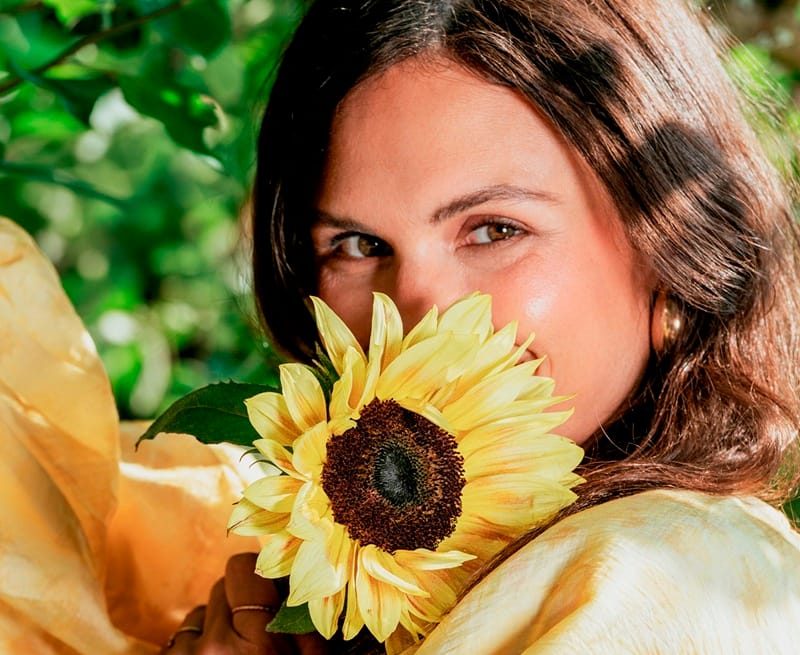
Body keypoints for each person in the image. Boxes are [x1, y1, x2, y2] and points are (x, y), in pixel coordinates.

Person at [3, 0, 800, 653]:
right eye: (356, 245)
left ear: (675, 255)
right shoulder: (302, 559)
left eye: (493, 228)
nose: (415, 314)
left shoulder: (676, 570)